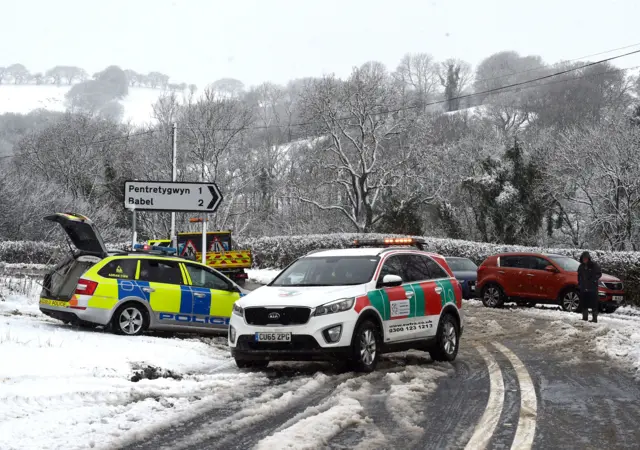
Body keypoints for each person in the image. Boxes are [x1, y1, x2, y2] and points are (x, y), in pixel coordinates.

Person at [577, 251, 602, 323]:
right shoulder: (581, 266)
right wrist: (580, 284)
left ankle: (594, 318)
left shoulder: (594, 265)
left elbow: (599, 273)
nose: (585, 260)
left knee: (593, 304)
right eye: (583, 258)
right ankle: (585, 317)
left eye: (586, 258)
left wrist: (593, 280)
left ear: (588, 258)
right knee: (584, 303)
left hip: (592, 288)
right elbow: (579, 276)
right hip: (583, 288)